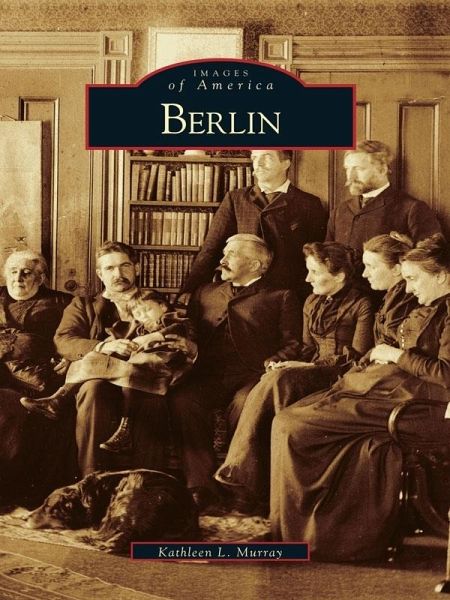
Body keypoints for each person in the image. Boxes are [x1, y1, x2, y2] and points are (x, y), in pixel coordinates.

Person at [271, 233, 450, 562]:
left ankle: (307, 537)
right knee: (293, 418)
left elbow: (446, 374)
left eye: (413, 279)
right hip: (396, 394)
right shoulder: (431, 305)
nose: (409, 289)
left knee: (292, 425)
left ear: (440, 275)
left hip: (422, 407)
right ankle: (310, 534)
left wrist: (396, 356)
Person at [214, 241, 374, 505]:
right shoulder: (311, 301)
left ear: (340, 276)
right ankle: (264, 485)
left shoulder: (362, 305)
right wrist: (284, 363)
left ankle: (241, 473)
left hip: (343, 375)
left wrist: (307, 367)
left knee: (278, 380)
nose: (307, 278)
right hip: (310, 372)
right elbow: (306, 348)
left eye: (314, 272)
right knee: (275, 376)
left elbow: (357, 357)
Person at [168, 233, 302, 510]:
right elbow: (189, 330)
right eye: (224, 254)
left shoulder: (280, 296)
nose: (222, 260)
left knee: (245, 404)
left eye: (231, 255)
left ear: (255, 265)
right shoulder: (205, 292)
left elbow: (293, 344)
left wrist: (272, 363)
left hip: (251, 376)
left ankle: (240, 486)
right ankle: (200, 487)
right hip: (207, 374)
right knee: (183, 401)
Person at [49, 241, 174, 477]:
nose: (118, 274)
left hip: (142, 378)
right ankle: (91, 478)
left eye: (124, 266)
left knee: (152, 398)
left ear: (136, 268)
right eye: (109, 268)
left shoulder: (155, 300)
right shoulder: (84, 304)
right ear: (100, 274)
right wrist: (104, 346)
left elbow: (175, 331)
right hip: (99, 377)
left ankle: (145, 483)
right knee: (93, 390)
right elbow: (64, 340)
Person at [20, 291, 197, 455]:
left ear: (163, 306)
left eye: (147, 310)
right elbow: (72, 340)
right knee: (92, 359)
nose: (143, 316)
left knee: (127, 372)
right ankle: (59, 397)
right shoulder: (138, 326)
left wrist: (149, 338)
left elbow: (178, 330)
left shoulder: (172, 318)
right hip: (143, 368)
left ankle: (125, 428)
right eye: (138, 314)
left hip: (165, 367)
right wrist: (112, 343)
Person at [180, 150, 327, 301]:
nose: (258, 164)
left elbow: (315, 256)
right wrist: (191, 290)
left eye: (267, 157)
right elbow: (211, 248)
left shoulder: (309, 204)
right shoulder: (235, 199)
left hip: (289, 295)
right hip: (243, 296)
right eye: (255, 158)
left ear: (286, 163)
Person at [0, 249, 73, 505]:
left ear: (41, 278)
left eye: (26, 273)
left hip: (40, 380)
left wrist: (70, 357)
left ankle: (16, 494)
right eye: (13, 271)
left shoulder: (62, 303)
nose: (18, 278)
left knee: (13, 411)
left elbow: (75, 335)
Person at [326, 140, 442, 251]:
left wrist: (410, 248)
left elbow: (433, 256)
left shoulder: (411, 208)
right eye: (348, 169)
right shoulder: (340, 210)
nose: (350, 176)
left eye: (359, 169)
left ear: (382, 170)